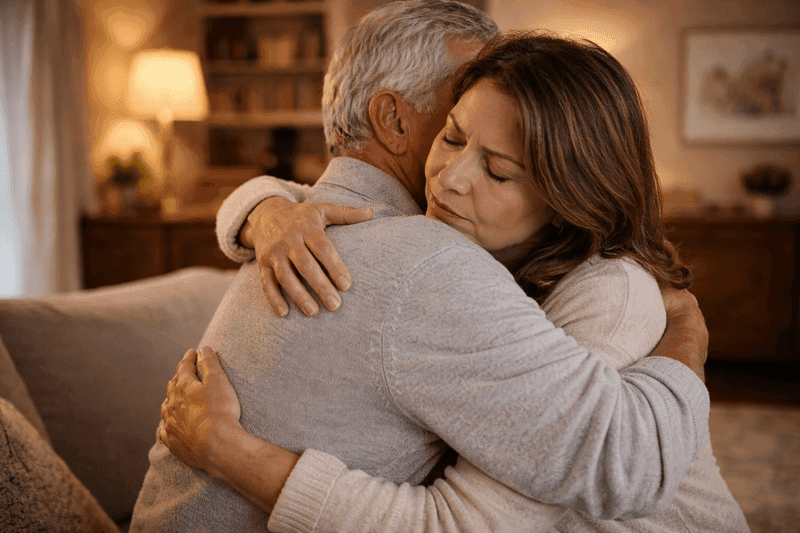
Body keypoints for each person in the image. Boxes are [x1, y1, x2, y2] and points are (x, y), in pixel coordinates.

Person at [131, 3, 711, 532]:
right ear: (394, 118)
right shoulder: (419, 261)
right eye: (455, 129)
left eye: (500, 169)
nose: (451, 177)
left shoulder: (325, 228)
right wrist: (688, 332)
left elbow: (628, 463)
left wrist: (262, 208)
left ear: (564, 192)